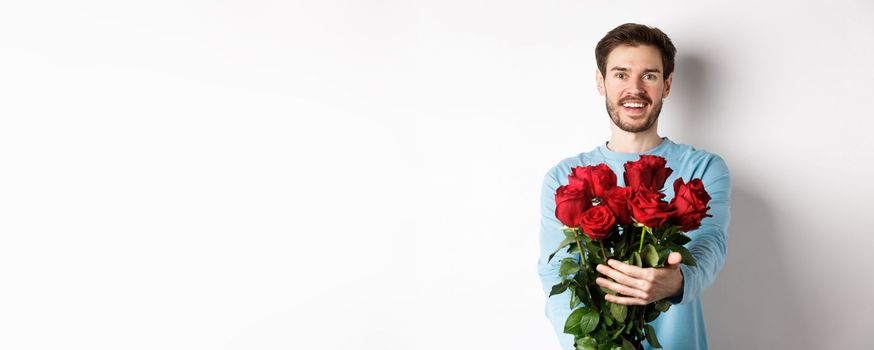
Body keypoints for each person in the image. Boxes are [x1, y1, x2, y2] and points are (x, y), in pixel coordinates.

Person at [537, 23, 731, 349]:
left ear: (667, 85)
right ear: (601, 82)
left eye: (650, 76)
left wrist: (678, 282)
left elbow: (710, 245)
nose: (635, 88)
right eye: (621, 74)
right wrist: (589, 344)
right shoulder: (565, 177)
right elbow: (555, 274)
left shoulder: (704, 168)